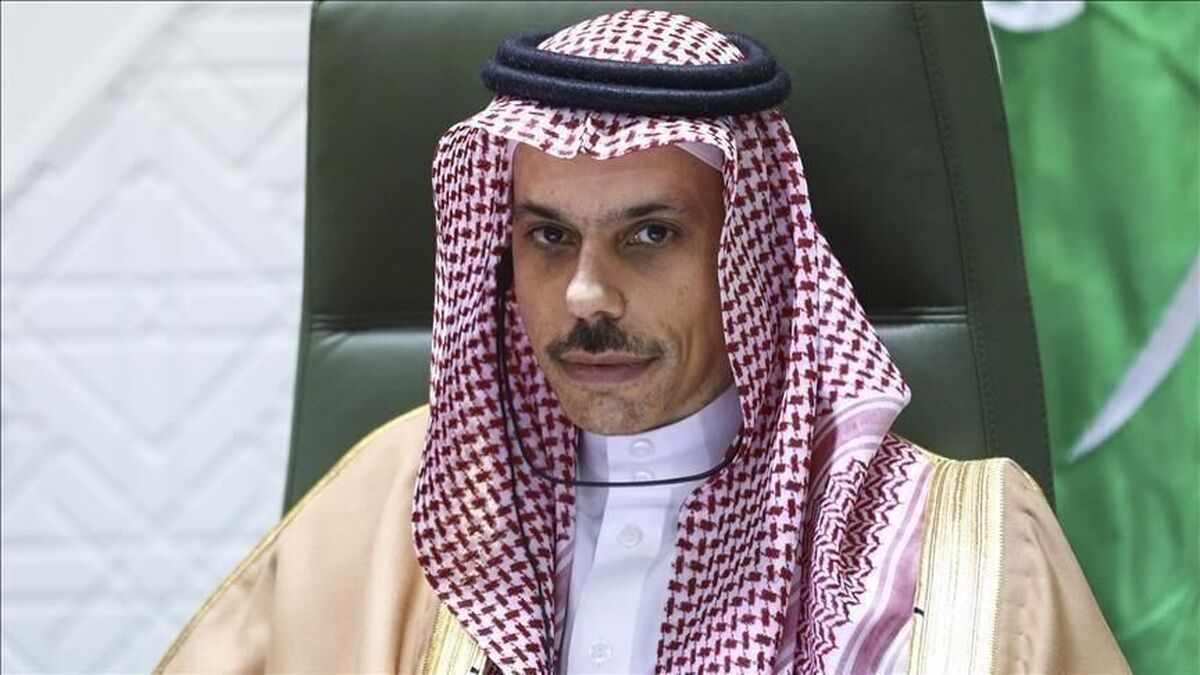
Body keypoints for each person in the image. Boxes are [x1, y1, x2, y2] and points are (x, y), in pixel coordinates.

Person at [155, 9, 1128, 674]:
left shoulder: (965, 545)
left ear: (753, 259)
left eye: (650, 235)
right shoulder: (386, 510)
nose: (586, 293)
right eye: (547, 237)